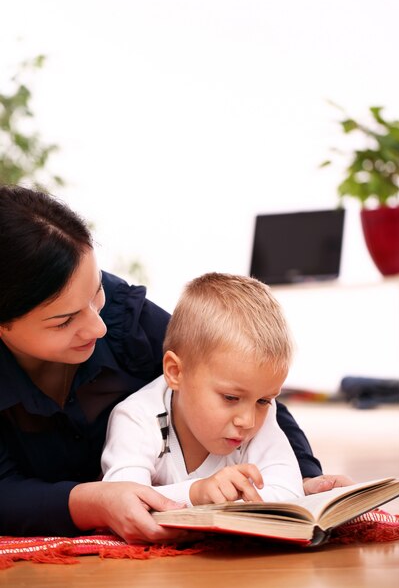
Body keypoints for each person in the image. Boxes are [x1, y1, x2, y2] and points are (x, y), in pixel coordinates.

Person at [0, 185, 351, 542]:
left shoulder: (127, 320)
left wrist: (303, 481)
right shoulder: (137, 417)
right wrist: (93, 501)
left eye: (96, 292)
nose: (98, 326)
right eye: (64, 321)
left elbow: (244, 381)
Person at [101, 272, 305, 505]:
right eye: (230, 397)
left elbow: (290, 493)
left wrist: (223, 503)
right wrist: (196, 493)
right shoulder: (136, 417)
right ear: (175, 372)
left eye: (263, 401)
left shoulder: (259, 416)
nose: (248, 421)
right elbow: (123, 498)